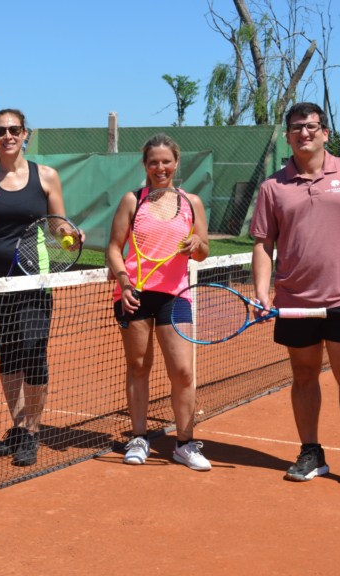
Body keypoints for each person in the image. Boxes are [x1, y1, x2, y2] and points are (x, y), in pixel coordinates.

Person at [249, 102, 340, 495]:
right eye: (297, 128)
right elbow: (264, 245)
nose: (304, 133)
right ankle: (311, 452)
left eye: (312, 126)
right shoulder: (273, 187)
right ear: (288, 136)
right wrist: (262, 292)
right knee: (303, 376)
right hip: (295, 298)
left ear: (325, 132)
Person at [0, 108, 84, 467]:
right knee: (9, 358)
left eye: (14, 129)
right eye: (1, 131)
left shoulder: (46, 176)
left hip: (35, 281)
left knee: (33, 354)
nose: (8, 136)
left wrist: (71, 238)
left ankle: (32, 430)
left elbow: (57, 227)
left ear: (25, 133)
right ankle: (16, 427)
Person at [105, 134, 212, 471]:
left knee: (182, 371)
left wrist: (197, 241)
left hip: (176, 295)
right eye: (153, 162)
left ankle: (184, 443)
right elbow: (112, 248)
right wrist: (124, 284)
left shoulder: (192, 202)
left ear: (176, 163)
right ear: (145, 165)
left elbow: (204, 250)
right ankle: (139, 439)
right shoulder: (132, 201)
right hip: (134, 295)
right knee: (138, 367)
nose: (160, 167)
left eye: (166, 161)